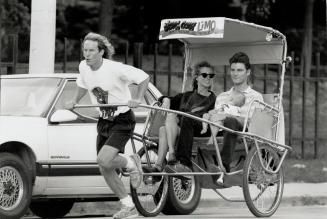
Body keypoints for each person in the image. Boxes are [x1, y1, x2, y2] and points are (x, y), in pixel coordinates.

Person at [65, 32, 149, 219]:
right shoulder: (83, 67)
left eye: (92, 51)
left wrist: (136, 98)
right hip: (104, 120)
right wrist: (73, 100)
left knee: (103, 159)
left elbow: (143, 77)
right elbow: (82, 84)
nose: (87, 54)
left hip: (122, 119)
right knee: (105, 166)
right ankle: (128, 205)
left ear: (101, 52)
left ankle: (131, 163)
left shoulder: (115, 68)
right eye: (85, 50)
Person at [145, 61, 216, 176]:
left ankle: (167, 160)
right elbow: (164, 98)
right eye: (204, 75)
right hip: (182, 129)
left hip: (200, 130)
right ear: (197, 77)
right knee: (167, 123)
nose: (208, 78)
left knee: (174, 123)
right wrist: (166, 99)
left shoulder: (213, 99)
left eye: (211, 75)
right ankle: (161, 164)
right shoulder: (186, 96)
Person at [216, 52, 263, 184]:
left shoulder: (256, 97)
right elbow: (216, 116)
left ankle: (223, 167)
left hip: (245, 132)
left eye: (240, 70)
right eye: (233, 70)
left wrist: (230, 115)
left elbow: (254, 123)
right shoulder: (222, 96)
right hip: (220, 130)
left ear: (248, 72)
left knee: (230, 120)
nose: (235, 73)